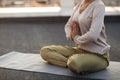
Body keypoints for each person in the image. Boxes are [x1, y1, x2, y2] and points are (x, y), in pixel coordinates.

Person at [40, 0, 111, 74]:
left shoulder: (99, 5)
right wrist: (70, 35)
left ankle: (75, 63)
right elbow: (68, 25)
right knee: (45, 51)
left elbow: (93, 35)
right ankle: (73, 63)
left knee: (75, 63)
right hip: (80, 50)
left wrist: (76, 38)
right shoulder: (80, 3)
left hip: (98, 55)